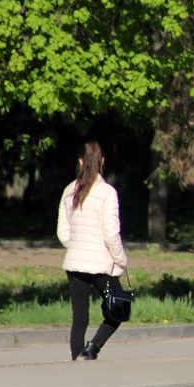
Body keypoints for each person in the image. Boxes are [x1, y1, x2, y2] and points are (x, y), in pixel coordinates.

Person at [57, 141, 129, 360]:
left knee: (80, 316)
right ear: (103, 161)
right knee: (119, 310)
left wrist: (78, 246)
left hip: (75, 263)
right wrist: (120, 259)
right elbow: (111, 234)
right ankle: (94, 347)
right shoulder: (107, 192)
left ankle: (77, 356)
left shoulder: (70, 190)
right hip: (101, 265)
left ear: (80, 161)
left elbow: (63, 231)